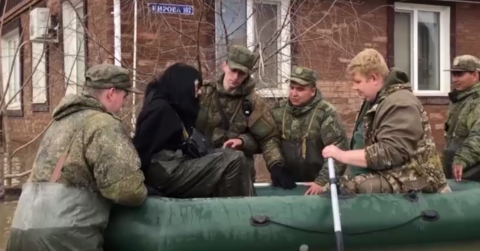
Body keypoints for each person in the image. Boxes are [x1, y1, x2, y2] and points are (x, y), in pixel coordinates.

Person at [5, 64, 148, 251]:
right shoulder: (103, 124)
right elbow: (128, 190)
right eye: (125, 96)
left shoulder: (58, 121)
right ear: (111, 93)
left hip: (19, 239)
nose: (125, 102)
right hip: (62, 245)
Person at [321, 48, 451, 194]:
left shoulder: (401, 102)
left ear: (375, 78)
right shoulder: (373, 101)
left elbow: (392, 151)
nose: (354, 87)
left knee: (350, 189)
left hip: (416, 177)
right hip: (388, 172)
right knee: (335, 187)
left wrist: (343, 155)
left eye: (358, 81)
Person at [133, 63, 254, 198]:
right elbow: (140, 150)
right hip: (165, 174)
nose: (200, 92)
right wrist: (141, 187)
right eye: (197, 86)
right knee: (233, 159)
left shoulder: (173, 106)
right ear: (184, 86)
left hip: (171, 167)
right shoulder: (160, 110)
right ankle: (239, 211)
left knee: (231, 155)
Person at [196, 45, 292, 189]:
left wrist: (275, 166)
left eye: (242, 73)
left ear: (248, 74)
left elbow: (268, 138)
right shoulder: (204, 94)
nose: (235, 77)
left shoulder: (253, 102)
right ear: (224, 66)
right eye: (233, 70)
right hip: (202, 170)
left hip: (237, 176)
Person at [269, 66, 349, 195]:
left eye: (300, 89)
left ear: (312, 91)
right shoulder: (278, 110)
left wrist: (322, 181)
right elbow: (269, 141)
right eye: (292, 87)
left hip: (316, 187)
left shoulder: (326, 113)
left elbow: (338, 151)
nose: (294, 93)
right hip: (285, 185)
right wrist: (276, 166)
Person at [443, 55, 480, 184]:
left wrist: (462, 159)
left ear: (475, 76)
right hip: (459, 174)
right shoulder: (460, 100)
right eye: (453, 75)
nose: (454, 79)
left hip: (478, 176)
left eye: (459, 75)